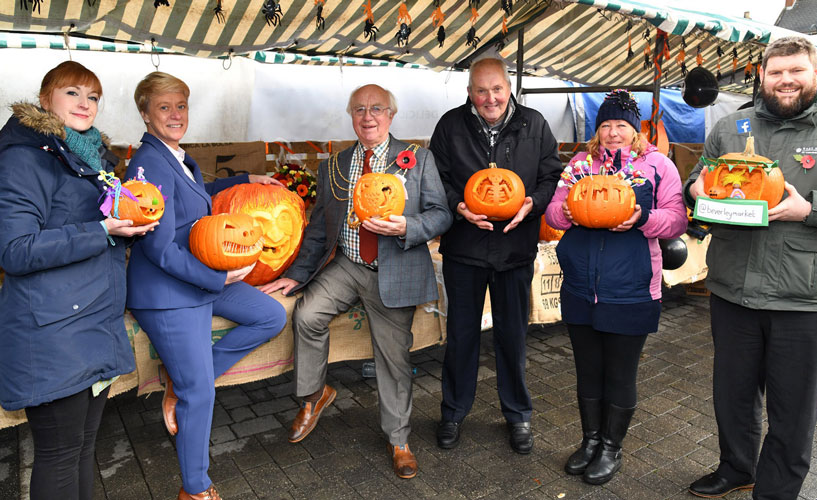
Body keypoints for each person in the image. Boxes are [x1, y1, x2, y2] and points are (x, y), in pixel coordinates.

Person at [684, 36, 817, 499]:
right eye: (776, 72)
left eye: (796, 71)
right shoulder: (733, 125)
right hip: (735, 288)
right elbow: (705, 173)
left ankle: (776, 491)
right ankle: (737, 467)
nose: (786, 81)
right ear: (762, 76)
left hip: (809, 296)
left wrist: (812, 208)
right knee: (732, 395)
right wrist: (694, 189)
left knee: (793, 409)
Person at [260, 84, 451, 479]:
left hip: (394, 266)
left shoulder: (416, 159)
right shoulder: (334, 164)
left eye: (377, 109)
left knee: (393, 357)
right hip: (347, 265)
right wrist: (295, 275)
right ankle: (314, 395)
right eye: (360, 109)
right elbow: (318, 229)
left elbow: (441, 214)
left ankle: (398, 439)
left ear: (391, 115)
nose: (368, 116)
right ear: (351, 116)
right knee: (307, 314)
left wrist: (408, 226)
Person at [125, 72, 287, 500]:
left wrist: (244, 182)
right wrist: (217, 277)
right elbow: (159, 249)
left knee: (270, 316)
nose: (176, 114)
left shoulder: (175, 156)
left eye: (181, 105)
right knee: (202, 394)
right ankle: (195, 489)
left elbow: (196, 195)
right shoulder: (149, 163)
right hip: (168, 291)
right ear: (144, 113)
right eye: (164, 107)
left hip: (199, 276)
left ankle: (181, 380)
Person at [0, 61, 157, 500]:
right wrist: (103, 231)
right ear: (46, 97)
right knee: (59, 453)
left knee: (84, 448)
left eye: (92, 97)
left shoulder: (90, 159)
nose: (84, 104)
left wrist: (127, 227)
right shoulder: (25, 157)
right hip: (51, 330)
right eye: (72, 93)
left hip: (92, 321)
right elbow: (16, 250)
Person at [545, 89, 688, 484]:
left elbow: (677, 220)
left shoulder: (658, 166)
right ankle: (590, 440)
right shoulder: (579, 164)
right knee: (587, 370)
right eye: (605, 125)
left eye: (620, 125)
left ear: (635, 129)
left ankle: (612, 447)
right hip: (579, 287)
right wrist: (570, 212)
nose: (612, 133)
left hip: (632, 288)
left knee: (620, 373)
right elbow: (553, 214)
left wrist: (643, 219)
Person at [429, 57, 562, 454]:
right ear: (470, 92)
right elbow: (436, 179)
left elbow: (551, 174)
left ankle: (518, 414)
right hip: (465, 250)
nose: (490, 98)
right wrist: (458, 207)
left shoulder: (534, 123)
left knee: (512, 336)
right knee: (462, 336)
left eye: (497, 89)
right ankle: (453, 411)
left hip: (515, 248)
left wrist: (533, 204)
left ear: (509, 88)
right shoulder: (451, 125)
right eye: (481, 90)